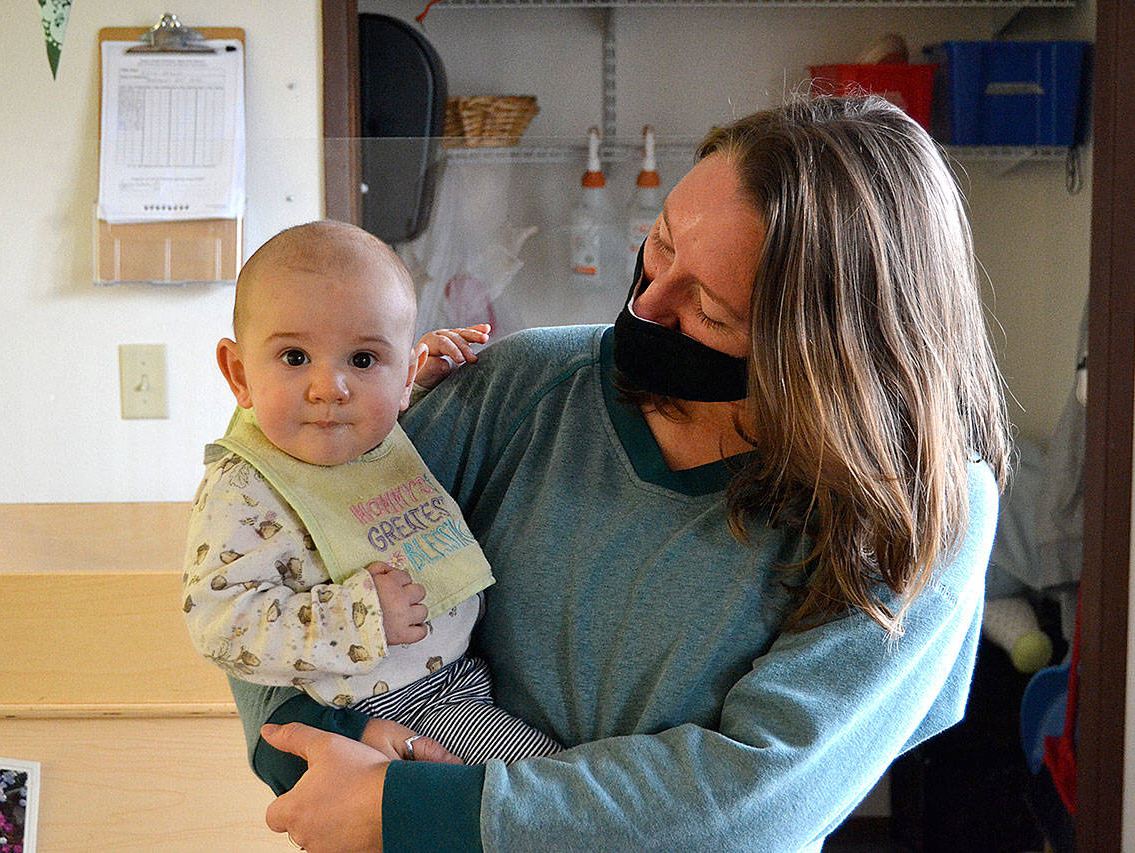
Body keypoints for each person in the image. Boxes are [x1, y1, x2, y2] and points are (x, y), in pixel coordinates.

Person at [233, 95, 1011, 852]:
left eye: (709, 310)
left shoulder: (915, 508)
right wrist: (330, 749)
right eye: (662, 244)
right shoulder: (519, 389)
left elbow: (752, 796)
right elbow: (264, 576)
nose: (648, 302)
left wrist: (432, 810)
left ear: (821, 355)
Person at [182, 220, 561, 778]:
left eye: (363, 360)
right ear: (240, 374)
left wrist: (416, 384)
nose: (328, 388)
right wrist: (358, 616)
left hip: (459, 677)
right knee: (548, 789)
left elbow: (371, 437)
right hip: (389, 704)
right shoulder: (246, 487)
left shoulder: (351, 432)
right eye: (294, 358)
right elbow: (220, 624)